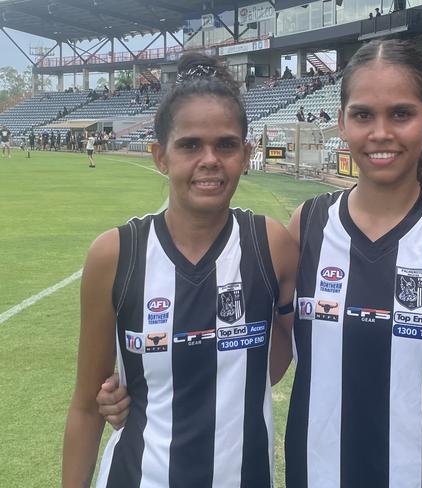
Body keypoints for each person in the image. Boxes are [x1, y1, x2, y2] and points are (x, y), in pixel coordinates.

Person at [99, 40, 422, 488]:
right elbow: (257, 355)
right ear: (341, 123)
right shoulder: (307, 228)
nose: (380, 132)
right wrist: (135, 392)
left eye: (400, 114)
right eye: (362, 115)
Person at [62, 52, 298, 487]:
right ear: (160, 156)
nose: (209, 159)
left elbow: (285, 346)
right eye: (190, 145)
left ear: (246, 154)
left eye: (226, 144)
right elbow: (85, 405)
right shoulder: (115, 254)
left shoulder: (272, 245)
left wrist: (211, 382)